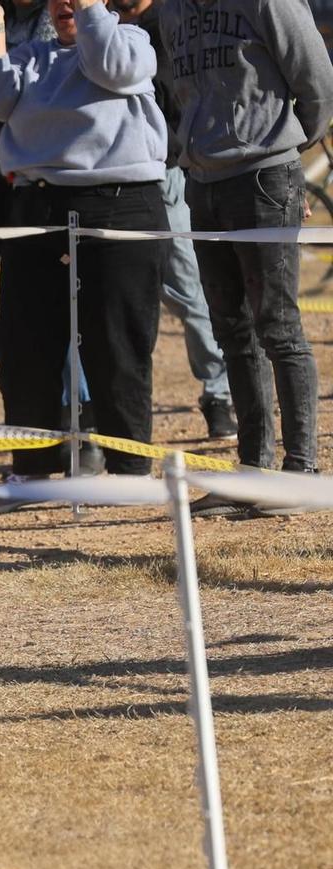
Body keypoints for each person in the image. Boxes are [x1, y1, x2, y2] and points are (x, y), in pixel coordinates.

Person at [0, 0, 166, 503]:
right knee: (22, 345)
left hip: (118, 204)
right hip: (37, 204)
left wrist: (96, 11)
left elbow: (113, 68)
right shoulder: (33, 55)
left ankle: (129, 473)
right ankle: (30, 474)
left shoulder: (132, 41)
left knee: (116, 344)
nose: (65, 5)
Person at [159, 0, 333, 507]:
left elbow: (316, 76)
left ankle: (301, 471)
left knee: (277, 326)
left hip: (264, 178)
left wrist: (285, 150)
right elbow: (179, 88)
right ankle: (252, 471)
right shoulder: (172, 11)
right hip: (202, 182)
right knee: (231, 331)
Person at [112, 0, 234, 443]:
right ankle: (101, 413)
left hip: (168, 174)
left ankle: (218, 395)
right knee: (109, 304)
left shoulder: (175, 22)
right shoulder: (97, 26)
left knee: (192, 293)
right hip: (110, 182)